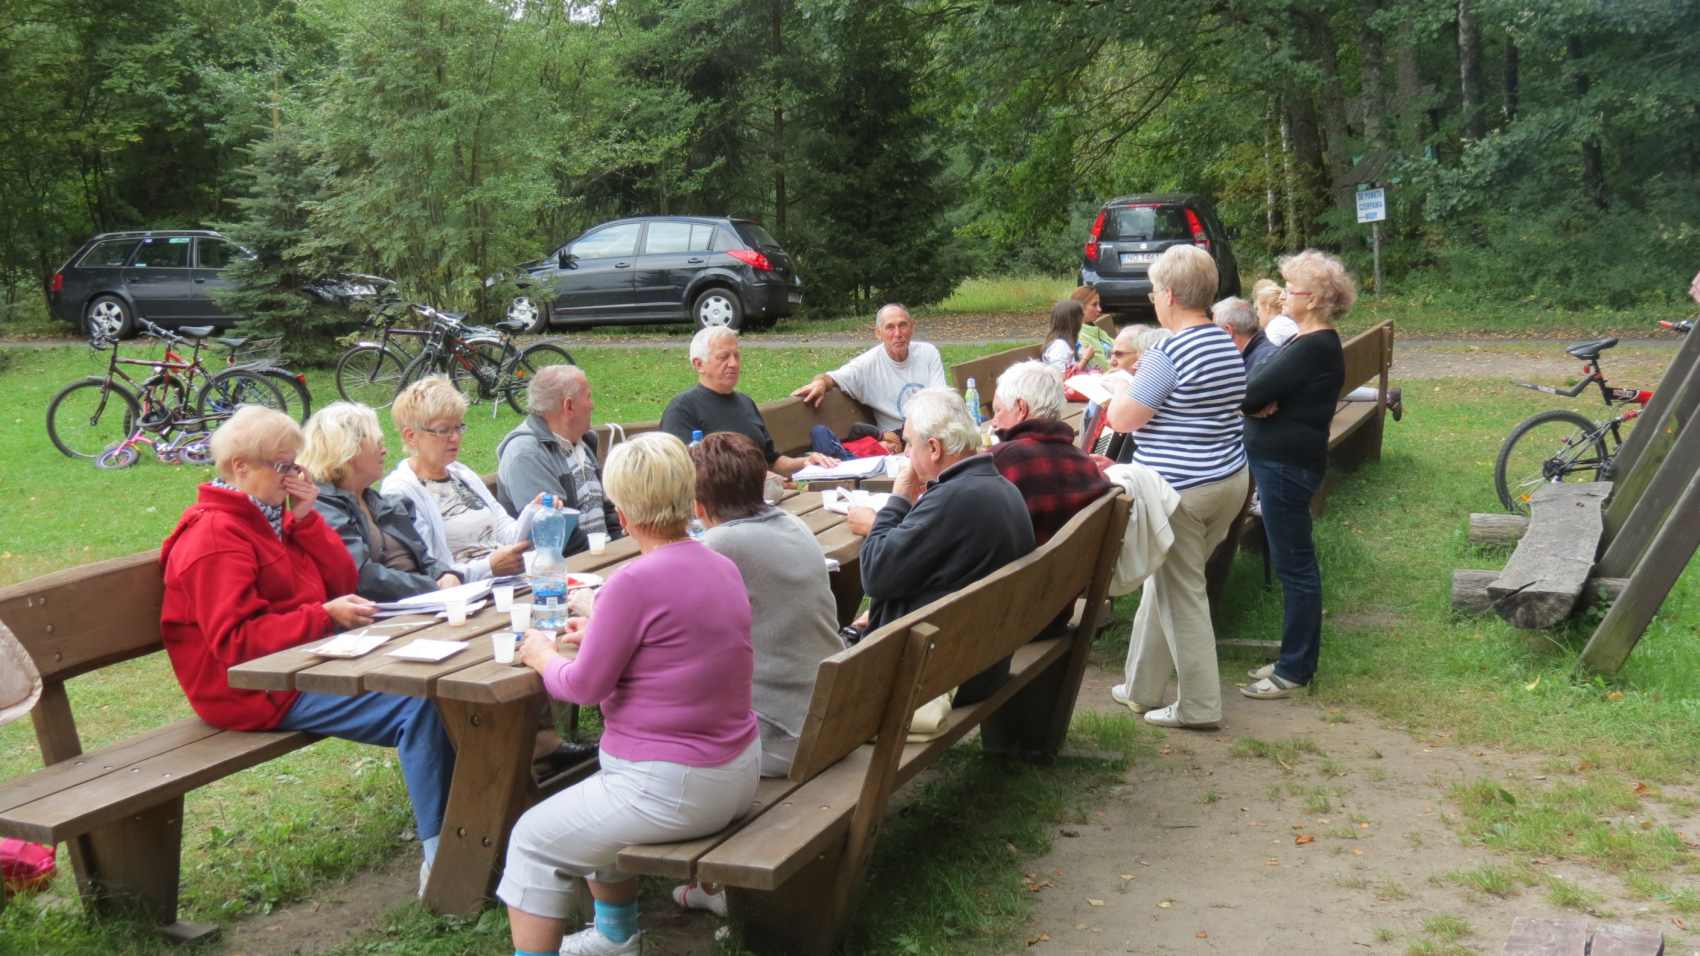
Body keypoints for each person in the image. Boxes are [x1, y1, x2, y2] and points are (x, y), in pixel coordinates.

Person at [158, 406, 454, 893]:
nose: (294, 475)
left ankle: (476, 828)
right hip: (251, 688)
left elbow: (341, 580)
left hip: (301, 662)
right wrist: (322, 617)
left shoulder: (269, 516)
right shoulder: (216, 535)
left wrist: (306, 518)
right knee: (418, 704)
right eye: (282, 466)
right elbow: (236, 644)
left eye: (295, 464)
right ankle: (446, 862)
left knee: (439, 680)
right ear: (240, 467)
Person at [500, 433, 760, 956]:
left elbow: (584, 687)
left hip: (676, 786)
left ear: (622, 513)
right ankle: (614, 936)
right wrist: (602, 631)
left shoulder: (631, 583)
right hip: (736, 769)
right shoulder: (720, 564)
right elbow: (674, 643)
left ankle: (609, 937)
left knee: (530, 840)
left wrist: (542, 655)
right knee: (595, 802)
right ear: (689, 497)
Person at [671, 431, 846, 919]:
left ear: (698, 502)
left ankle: (712, 882)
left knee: (660, 741)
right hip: (831, 713)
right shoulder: (791, 523)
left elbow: (663, 620)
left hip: (786, 736)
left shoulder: (720, 544)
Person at [1105, 244, 1250, 730]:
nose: (1152, 298)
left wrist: (1120, 388)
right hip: (1228, 480)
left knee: (1182, 595)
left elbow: (1123, 419)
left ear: (1168, 295)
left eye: (1153, 290)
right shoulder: (1223, 340)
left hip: (1182, 491)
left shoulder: (1166, 351)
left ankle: (1200, 706)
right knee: (1163, 582)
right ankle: (1141, 688)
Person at [859, 388, 1034, 705]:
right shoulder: (1000, 487)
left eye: (909, 443)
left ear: (934, 448)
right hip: (985, 659)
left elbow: (875, 573)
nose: (907, 453)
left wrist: (898, 500)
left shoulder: (953, 499)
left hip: (943, 675)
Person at [1240, 250, 1353, 700]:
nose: (1284, 296)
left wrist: (1258, 404)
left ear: (1316, 299)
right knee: (1293, 564)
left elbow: (1251, 392)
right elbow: (1258, 393)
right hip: (1284, 461)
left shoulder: (1314, 345)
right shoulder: (1306, 341)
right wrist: (1258, 403)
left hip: (1286, 467)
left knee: (1296, 566)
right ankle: (1292, 656)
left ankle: (1294, 670)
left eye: (1291, 290)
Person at [299, 401, 461, 602]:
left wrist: (445, 574)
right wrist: (433, 586)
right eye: (377, 443)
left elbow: (423, 559)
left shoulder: (376, 501)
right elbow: (363, 578)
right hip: (386, 611)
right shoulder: (323, 508)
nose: (384, 451)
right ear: (348, 450)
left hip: (422, 602)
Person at [380, 376, 536, 581]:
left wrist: (534, 513)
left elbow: (506, 532)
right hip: (467, 593)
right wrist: (490, 567)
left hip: (509, 581)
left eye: (458, 427)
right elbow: (432, 571)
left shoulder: (460, 473)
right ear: (411, 436)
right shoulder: (401, 491)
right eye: (443, 430)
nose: (455, 438)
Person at [660, 327, 837, 477]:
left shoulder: (745, 403)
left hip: (761, 495)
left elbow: (772, 461)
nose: (733, 363)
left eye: (736, 356)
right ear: (699, 364)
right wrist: (759, 477)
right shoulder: (682, 410)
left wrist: (806, 462)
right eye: (723, 357)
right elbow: (682, 474)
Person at [988, 361, 1114, 545]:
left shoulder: (1000, 462)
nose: (993, 422)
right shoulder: (1086, 463)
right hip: (1075, 560)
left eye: (998, 410)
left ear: (1021, 408)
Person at [497, 364, 621, 547]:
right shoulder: (527, 454)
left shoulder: (581, 441)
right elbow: (555, 531)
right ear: (568, 406)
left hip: (601, 555)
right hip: (568, 561)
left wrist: (621, 545)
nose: (592, 405)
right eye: (588, 396)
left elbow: (608, 512)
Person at [791, 303, 948, 436]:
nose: (898, 333)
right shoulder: (867, 365)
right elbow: (832, 377)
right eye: (890, 327)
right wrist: (820, 383)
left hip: (934, 432)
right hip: (899, 443)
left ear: (912, 327)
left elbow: (941, 401)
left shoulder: (928, 353)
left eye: (903, 325)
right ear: (878, 333)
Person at [1081, 326, 1169, 460]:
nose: (1111, 361)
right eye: (1111, 354)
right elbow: (1098, 450)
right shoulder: (1110, 390)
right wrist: (1096, 400)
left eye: (1119, 354)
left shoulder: (1150, 395)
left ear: (1142, 356)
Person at [1212, 296, 1275, 375]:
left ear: (1228, 331)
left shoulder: (1260, 364)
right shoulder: (1267, 355)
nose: (1213, 337)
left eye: (1215, 330)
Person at [1072, 285, 1114, 371]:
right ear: (1080, 308)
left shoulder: (1094, 329)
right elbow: (1104, 367)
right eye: (1094, 305)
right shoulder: (1080, 337)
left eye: (1099, 304)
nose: (1099, 309)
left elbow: (1118, 346)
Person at [1042, 299, 1086, 374]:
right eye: (1081, 318)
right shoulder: (1059, 346)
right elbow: (1061, 376)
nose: (1082, 322)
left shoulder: (1070, 343)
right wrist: (1085, 359)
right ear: (1074, 322)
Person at [1252, 278, 1299, 346]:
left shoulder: (1274, 328)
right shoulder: (1286, 322)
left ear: (1267, 307)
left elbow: (1267, 351)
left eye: (1258, 309)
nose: (1257, 314)